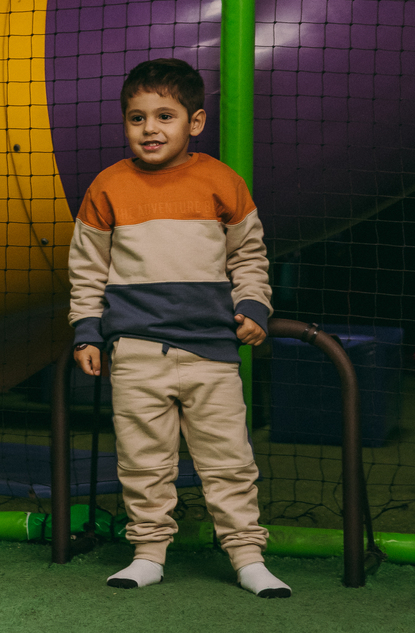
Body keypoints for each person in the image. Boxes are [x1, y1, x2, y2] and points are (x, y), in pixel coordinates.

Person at [68, 58, 291, 598]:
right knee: (142, 461)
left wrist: (254, 305)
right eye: (137, 118)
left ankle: (247, 557)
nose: (150, 129)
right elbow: (87, 267)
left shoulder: (222, 181)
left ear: (195, 122)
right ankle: (148, 554)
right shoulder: (108, 186)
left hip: (211, 352)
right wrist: (86, 329)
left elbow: (249, 255)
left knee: (229, 460)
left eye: (164, 116)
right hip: (136, 352)